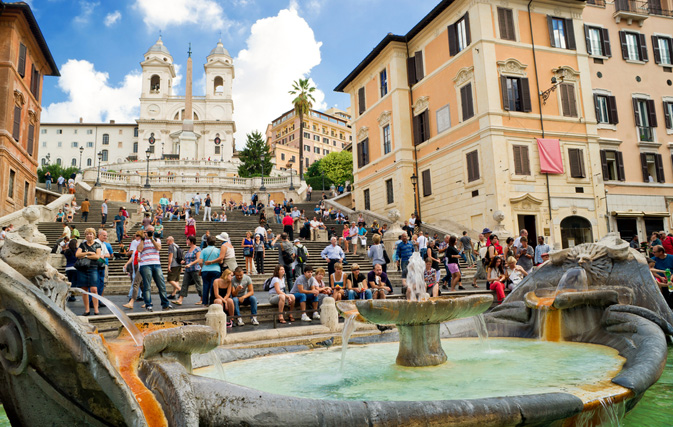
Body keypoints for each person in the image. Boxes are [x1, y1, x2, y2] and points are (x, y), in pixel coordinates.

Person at [138, 225, 172, 312]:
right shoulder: (142, 240)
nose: (151, 233)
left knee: (162, 285)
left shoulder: (157, 240)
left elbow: (158, 248)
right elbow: (140, 250)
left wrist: (152, 239)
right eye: (149, 231)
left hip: (156, 264)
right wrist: (143, 238)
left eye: (152, 231)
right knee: (147, 286)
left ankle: (165, 304)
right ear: (145, 231)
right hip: (145, 264)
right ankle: (148, 304)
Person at [75, 228, 102, 315]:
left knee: (94, 289)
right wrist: (88, 253)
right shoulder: (82, 245)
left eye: (90, 234)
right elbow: (77, 255)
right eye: (87, 234)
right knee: (84, 290)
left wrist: (84, 256)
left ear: (94, 235)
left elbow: (97, 257)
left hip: (93, 268)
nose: (89, 235)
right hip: (83, 269)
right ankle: (87, 310)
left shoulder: (97, 245)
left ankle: (96, 309)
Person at [175, 235, 203, 306]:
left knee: (198, 285)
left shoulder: (197, 249)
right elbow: (188, 258)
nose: (186, 241)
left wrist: (190, 264)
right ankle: (180, 300)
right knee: (185, 284)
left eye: (187, 240)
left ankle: (202, 299)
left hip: (195, 269)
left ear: (192, 241)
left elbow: (198, 259)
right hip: (188, 270)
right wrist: (184, 261)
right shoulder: (189, 249)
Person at [199, 237, 222, 306]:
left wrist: (202, 267)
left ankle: (205, 302)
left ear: (207, 243)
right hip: (216, 269)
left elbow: (200, 261)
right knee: (214, 286)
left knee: (205, 286)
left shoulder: (204, 250)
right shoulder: (218, 250)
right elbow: (221, 261)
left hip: (205, 270)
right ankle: (212, 301)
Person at [95, 229, 113, 297]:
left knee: (102, 282)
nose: (105, 237)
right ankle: (96, 299)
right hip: (97, 264)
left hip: (103, 264)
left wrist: (103, 255)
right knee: (97, 282)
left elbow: (108, 255)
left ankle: (100, 298)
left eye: (106, 236)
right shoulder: (96, 242)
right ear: (99, 235)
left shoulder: (104, 244)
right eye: (104, 235)